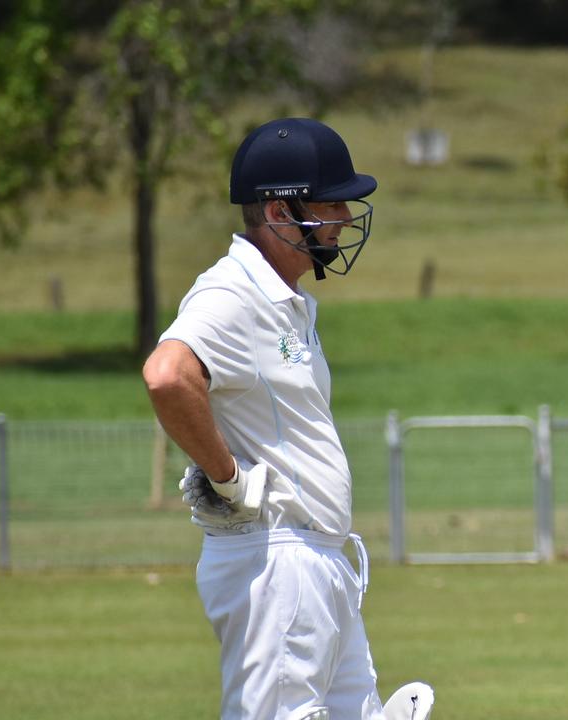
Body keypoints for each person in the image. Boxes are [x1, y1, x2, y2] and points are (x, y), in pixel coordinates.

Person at [142, 118, 432, 720]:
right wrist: (227, 478)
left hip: (316, 559)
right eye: (332, 204)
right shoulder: (231, 295)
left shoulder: (286, 302)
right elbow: (168, 375)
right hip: (275, 559)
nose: (346, 220)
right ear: (279, 214)